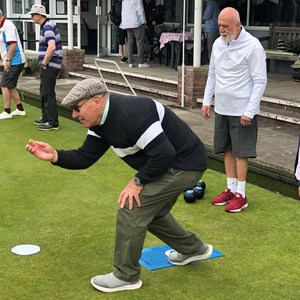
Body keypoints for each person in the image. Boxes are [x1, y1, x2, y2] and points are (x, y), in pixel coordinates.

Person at [26, 77, 213, 293]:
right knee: (153, 214)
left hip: (184, 164)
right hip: (169, 164)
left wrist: (138, 181)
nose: (74, 115)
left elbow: (164, 153)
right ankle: (193, 249)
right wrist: (55, 155)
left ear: (96, 101)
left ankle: (126, 276)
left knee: (131, 206)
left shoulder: (130, 114)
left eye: (77, 108)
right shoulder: (100, 123)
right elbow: (85, 157)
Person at [201, 7, 267, 213]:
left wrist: (250, 110)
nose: (221, 29)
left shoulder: (253, 46)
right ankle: (230, 189)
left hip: (242, 110)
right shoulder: (218, 44)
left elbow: (260, 80)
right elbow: (212, 74)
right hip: (222, 108)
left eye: (225, 26)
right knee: (227, 150)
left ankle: (241, 194)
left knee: (241, 153)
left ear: (238, 25)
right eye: (219, 25)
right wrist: (206, 101)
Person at [27, 4, 62, 131]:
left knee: (48, 92)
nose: (31, 17)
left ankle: (53, 122)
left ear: (39, 15)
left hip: (50, 65)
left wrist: (43, 63)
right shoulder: (47, 25)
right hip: (50, 64)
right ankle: (46, 117)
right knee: (44, 91)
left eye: (32, 14)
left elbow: (51, 47)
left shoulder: (47, 27)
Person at [0, 9, 26, 120]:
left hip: (15, 61)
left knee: (4, 84)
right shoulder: (2, 27)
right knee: (10, 85)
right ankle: (20, 109)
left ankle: (7, 111)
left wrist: (7, 60)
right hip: (12, 60)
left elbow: (13, 45)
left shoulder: (8, 26)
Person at [120, 0, 149, 68]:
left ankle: (130, 62)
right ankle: (141, 62)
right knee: (140, 42)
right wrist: (144, 22)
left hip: (127, 23)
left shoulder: (124, 1)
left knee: (130, 43)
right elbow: (140, 10)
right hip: (137, 23)